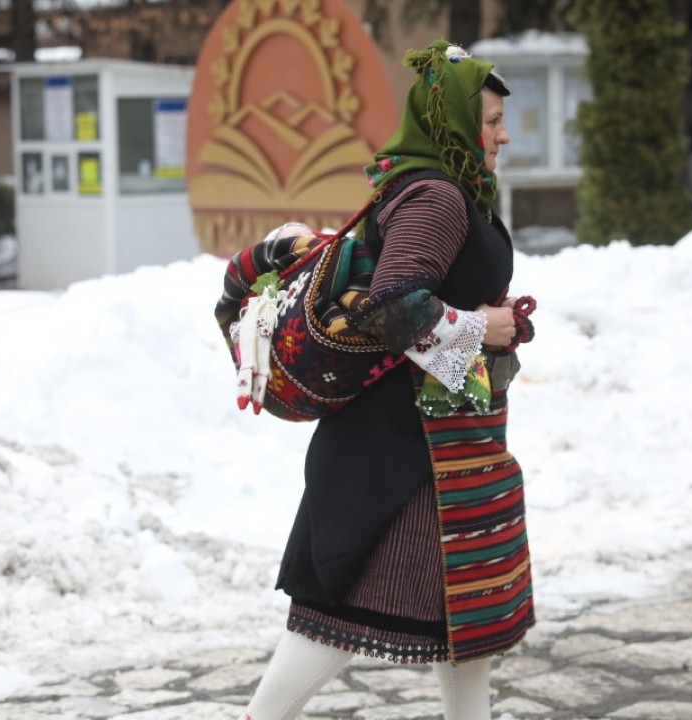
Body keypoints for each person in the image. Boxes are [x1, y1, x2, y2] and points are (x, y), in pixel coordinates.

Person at [240, 39, 535, 720]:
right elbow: (396, 304)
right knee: (335, 617)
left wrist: (492, 321)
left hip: (443, 448)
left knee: (465, 630)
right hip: (401, 454)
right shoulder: (435, 196)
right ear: (454, 124)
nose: (503, 134)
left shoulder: (454, 188)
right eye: (489, 122)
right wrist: (480, 329)